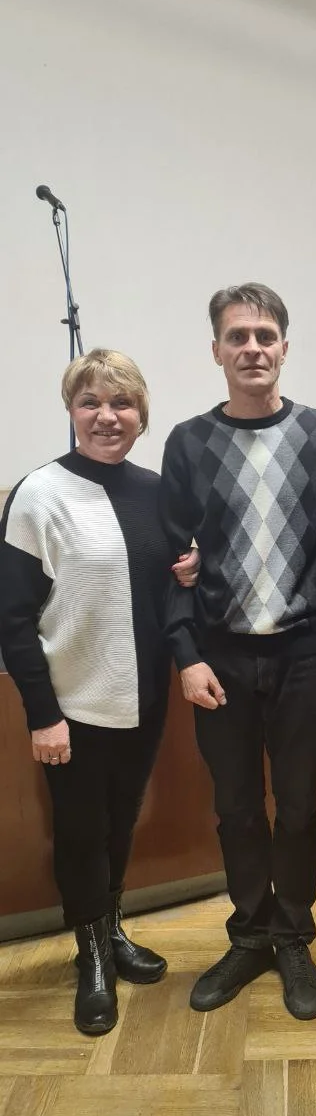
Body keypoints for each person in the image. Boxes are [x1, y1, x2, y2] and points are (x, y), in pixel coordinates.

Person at [161, 282, 316, 1021]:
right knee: (237, 807)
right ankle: (250, 934)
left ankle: (293, 934)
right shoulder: (187, 442)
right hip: (220, 658)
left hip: (307, 652)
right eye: (237, 336)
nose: (252, 348)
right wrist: (186, 654)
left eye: (264, 336)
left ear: (284, 347)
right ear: (216, 350)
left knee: (300, 807)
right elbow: (173, 560)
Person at [0, 350, 171, 1036]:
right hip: (73, 706)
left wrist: (189, 566)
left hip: (144, 701)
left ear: (141, 415)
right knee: (79, 832)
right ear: (71, 410)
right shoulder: (38, 494)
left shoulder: (156, 491)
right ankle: (91, 955)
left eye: (121, 403)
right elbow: (13, 619)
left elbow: (165, 581)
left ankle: (112, 927)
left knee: (120, 823)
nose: (107, 416)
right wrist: (42, 716)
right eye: (90, 402)